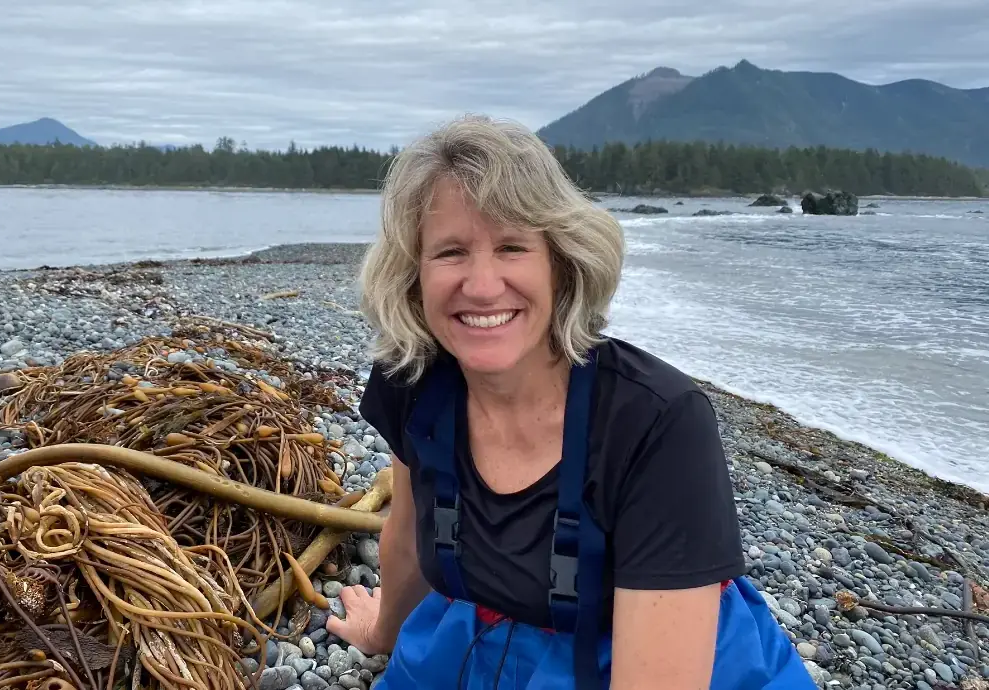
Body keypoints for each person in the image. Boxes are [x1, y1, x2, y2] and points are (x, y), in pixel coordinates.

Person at [328, 114, 815, 689]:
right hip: (475, 633)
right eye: (451, 252)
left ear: (561, 264)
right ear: (413, 274)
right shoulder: (412, 380)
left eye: (512, 247)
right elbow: (409, 535)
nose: (482, 286)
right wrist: (383, 634)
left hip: (642, 649)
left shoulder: (657, 421)